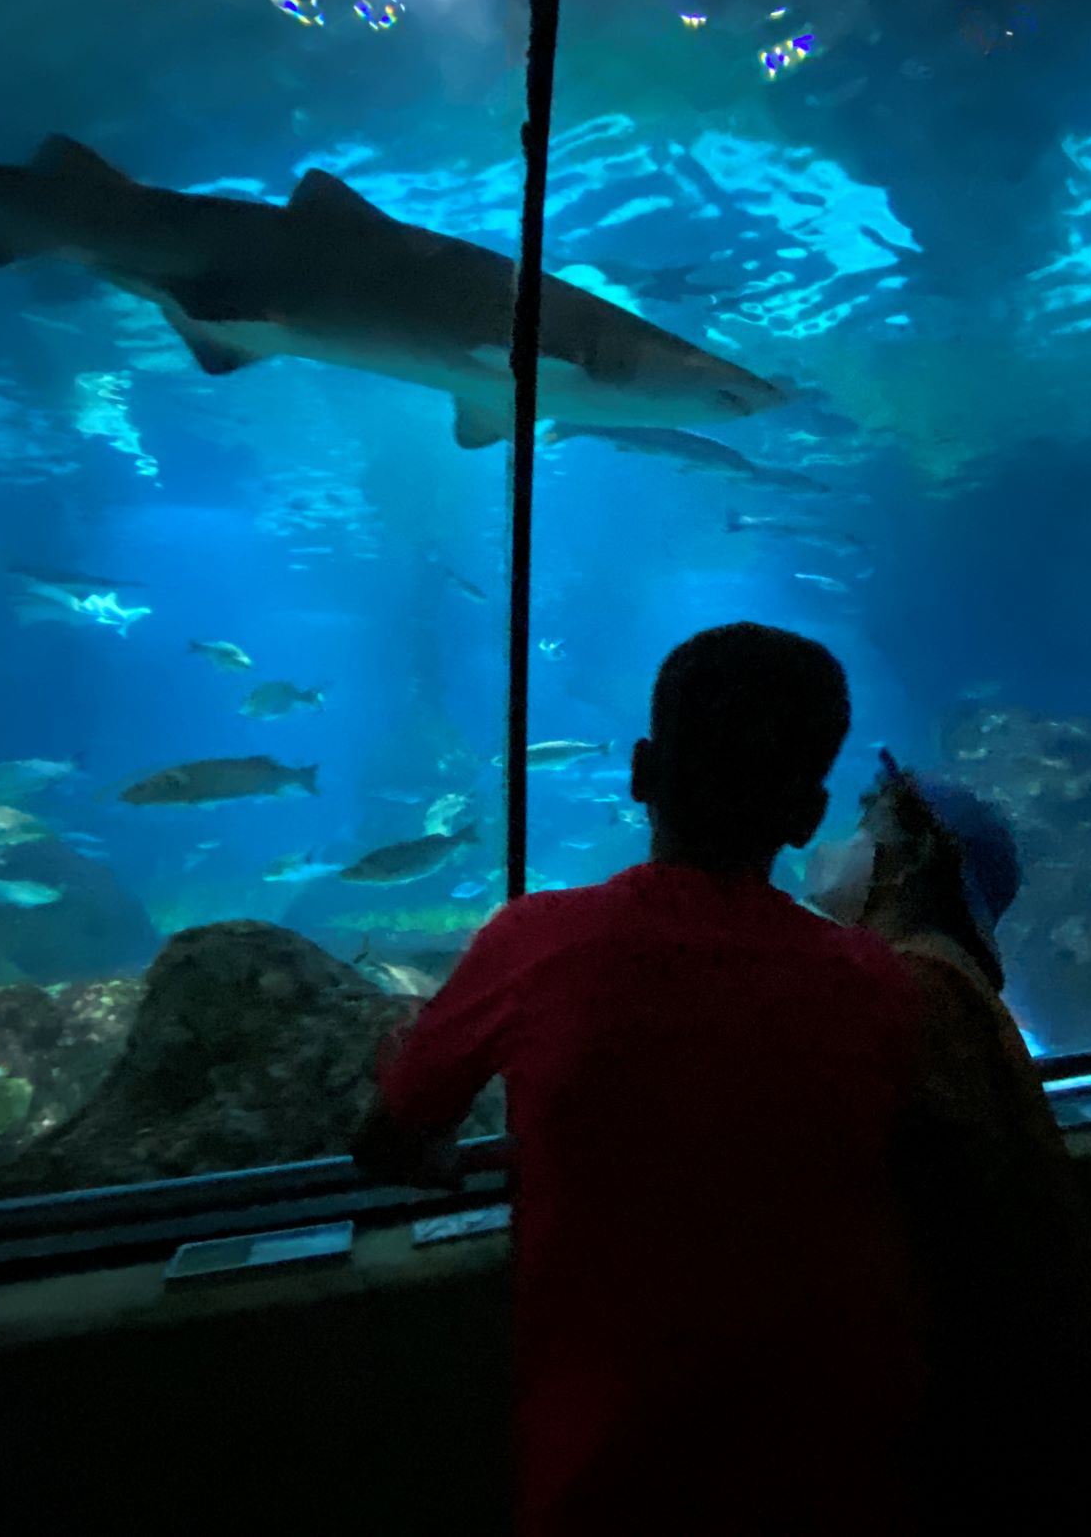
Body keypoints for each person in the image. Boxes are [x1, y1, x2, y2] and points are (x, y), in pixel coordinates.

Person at [353, 624, 938, 1537]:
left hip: (609, 1471)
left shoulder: (539, 943)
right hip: (837, 1465)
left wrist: (425, 1095)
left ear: (639, 772)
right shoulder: (877, 983)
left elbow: (390, 1140)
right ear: (808, 814)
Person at [806, 758, 1091, 1532]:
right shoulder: (946, 977)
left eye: (866, 825)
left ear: (913, 862)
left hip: (953, 1378)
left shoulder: (915, 987)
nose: (842, 843)